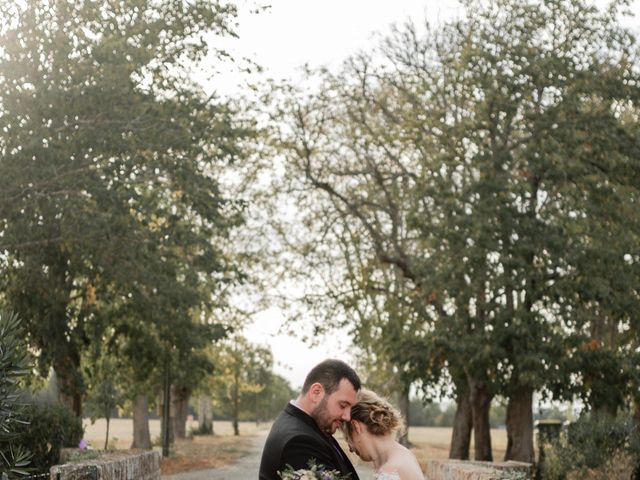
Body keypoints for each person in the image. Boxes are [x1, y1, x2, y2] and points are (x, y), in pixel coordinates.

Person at [259, 359, 362, 480]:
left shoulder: (306, 424)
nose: (347, 417)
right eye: (343, 405)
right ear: (316, 393)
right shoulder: (299, 442)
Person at [341, 389, 425, 480]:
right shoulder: (405, 455)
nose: (350, 449)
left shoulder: (389, 472)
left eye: (347, 437)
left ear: (356, 427)